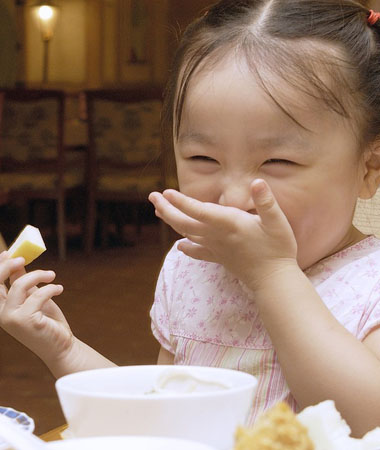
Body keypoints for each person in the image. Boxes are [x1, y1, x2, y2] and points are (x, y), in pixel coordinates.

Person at [1, 0, 380, 438]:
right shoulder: (193, 269)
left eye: (277, 161)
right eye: (202, 157)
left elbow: (370, 422)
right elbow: (161, 423)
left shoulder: (368, 284)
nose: (233, 198)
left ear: (369, 168)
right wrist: (64, 349)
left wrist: (273, 276)